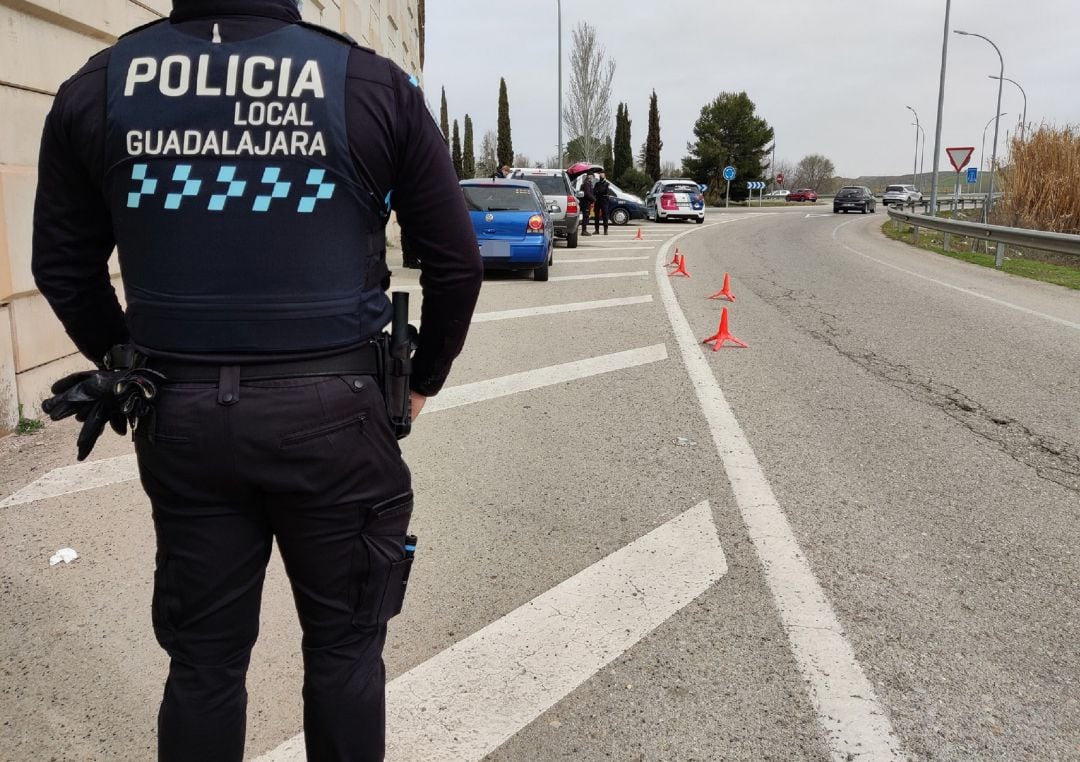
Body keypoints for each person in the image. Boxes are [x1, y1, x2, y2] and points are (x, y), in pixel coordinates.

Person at [31, 1, 483, 760]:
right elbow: (457, 264)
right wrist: (422, 379)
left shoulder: (100, 85)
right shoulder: (368, 83)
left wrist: (128, 362)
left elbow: (61, 267)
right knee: (344, 654)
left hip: (182, 416)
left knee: (204, 665)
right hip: (338, 414)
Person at [593, 170, 613, 235]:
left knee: (605, 216)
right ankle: (596, 230)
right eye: (600, 175)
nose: (601, 176)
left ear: (605, 176)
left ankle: (605, 230)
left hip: (604, 201)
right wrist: (600, 192)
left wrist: (599, 192)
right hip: (598, 201)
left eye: (602, 175)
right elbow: (594, 192)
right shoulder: (597, 184)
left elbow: (606, 192)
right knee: (596, 216)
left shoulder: (607, 184)